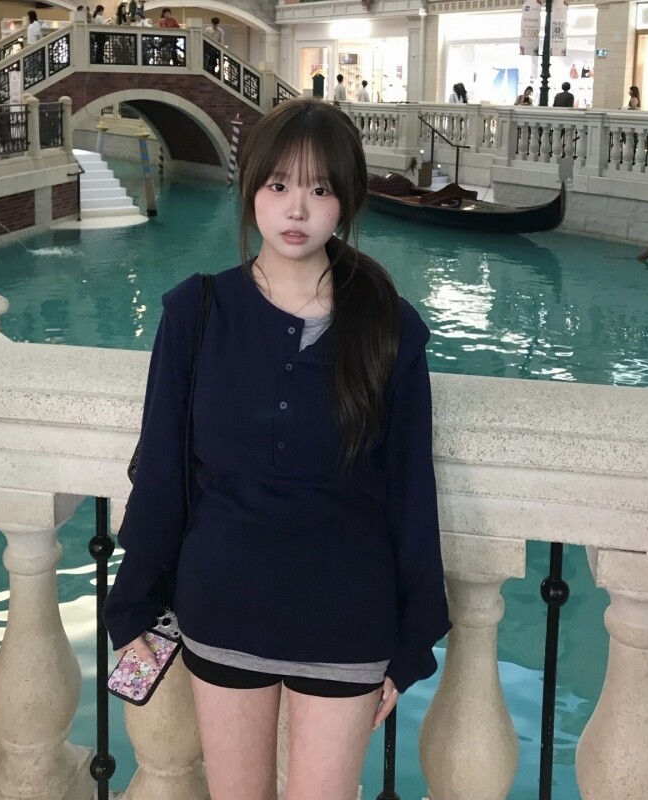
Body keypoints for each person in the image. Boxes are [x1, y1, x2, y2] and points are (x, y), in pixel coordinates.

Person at [103, 97, 450, 800]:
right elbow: (164, 469)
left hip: (347, 618)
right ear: (250, 189)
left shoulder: (389, 328)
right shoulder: (196, 313)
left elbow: (410, 489)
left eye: (320, 190)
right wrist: (131, 601)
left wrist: (414, 639)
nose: (297, 209)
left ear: (346, 200)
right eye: (279, 185)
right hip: (223, 605)